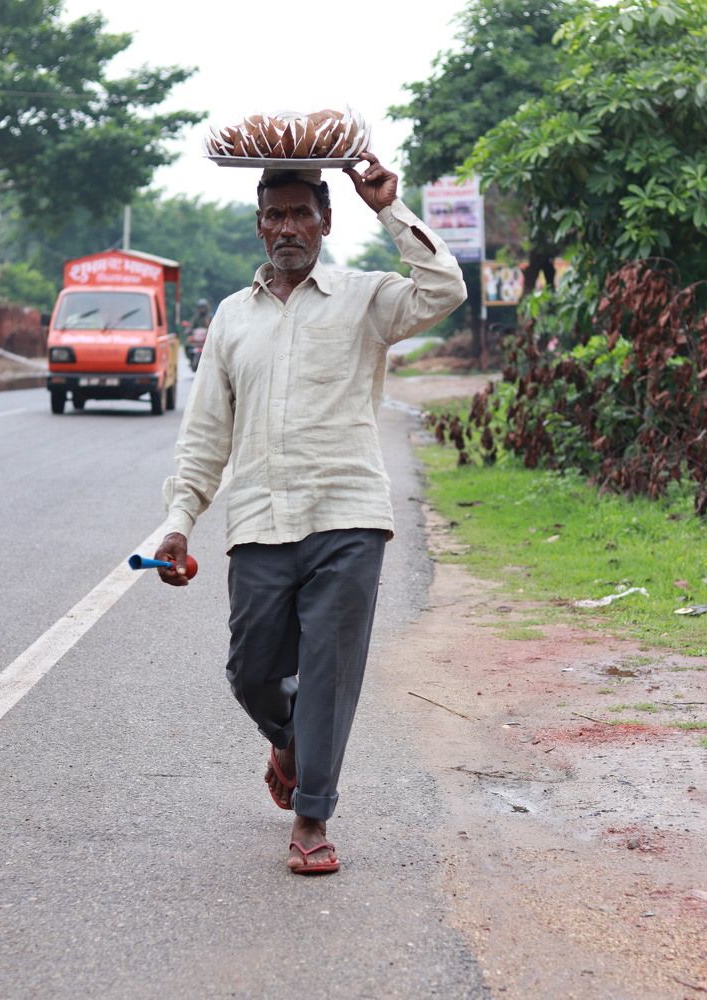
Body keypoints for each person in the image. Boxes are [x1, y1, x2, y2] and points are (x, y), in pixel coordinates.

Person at [154, 152, 467, 875]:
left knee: (328, 670)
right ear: (260, 227)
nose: (289, 226)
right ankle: (288, 740)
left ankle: (313, 817)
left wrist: (388, 206)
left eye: (302, 213)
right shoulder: (232, 318)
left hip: (349, 517)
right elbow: (205, 434)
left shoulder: (366, 297)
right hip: (260, 521)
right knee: (251, 669)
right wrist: (180, 520)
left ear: (326, 220)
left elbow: (443, 287)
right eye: (276, 215)